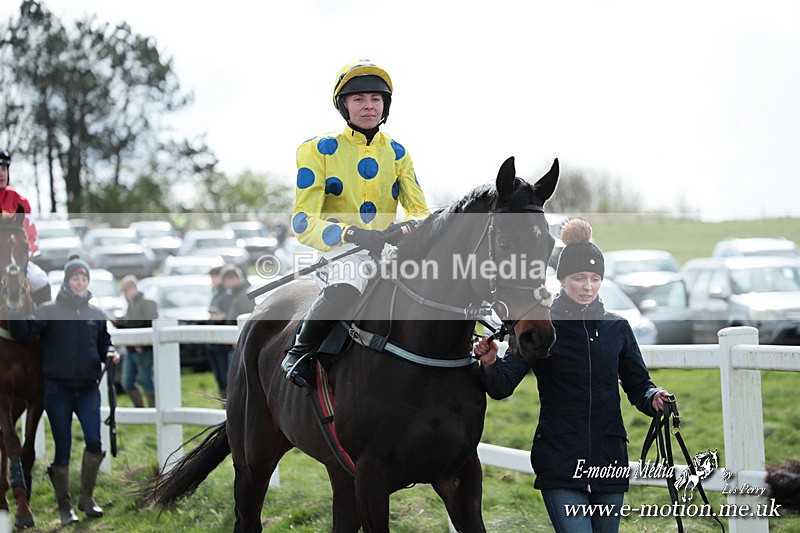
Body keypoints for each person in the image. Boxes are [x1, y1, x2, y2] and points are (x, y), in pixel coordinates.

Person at [474, 218, 672, 533]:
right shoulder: (541, 327)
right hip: (560, 458)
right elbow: (502, 384)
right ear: (563, 279)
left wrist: (654, 398)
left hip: (609, 457)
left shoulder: (617, 328)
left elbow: (638, 386)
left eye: (594, 278)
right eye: (579, 278)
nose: (587, 286)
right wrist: (488, 362)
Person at [281, 59, 430, 387]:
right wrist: (352, 233)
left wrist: (402, 229)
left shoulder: (398, 153)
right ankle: (300, 353)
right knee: (348, 285)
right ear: (344, 105)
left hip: (391, 250)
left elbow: (420, 212)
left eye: (376, 99)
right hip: (344, 253)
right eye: (359, 99)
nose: (369, 106)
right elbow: (304, 222)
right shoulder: (317, 150)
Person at [8, 255, 120, 526]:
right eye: (75, 278)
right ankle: (64, 507)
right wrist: (13, 306)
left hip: (88, 391)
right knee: (63, 448)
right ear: (67, 281)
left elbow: (105, 342)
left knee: (95, 442)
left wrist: (111, 352)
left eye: (83, 278)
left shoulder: (96, 314)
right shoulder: (49, 310)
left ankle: (87, 498)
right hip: (58, 391)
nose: (80, 282)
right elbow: (23, 331)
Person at [0, 148, 50, 305]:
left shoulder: (20, 201)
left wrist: (21, 258)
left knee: (40, 280)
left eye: (4, 168)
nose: (1, 173)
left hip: (16, 261)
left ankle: (45, 325)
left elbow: (31, 236)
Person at [115, 275, 158, 408]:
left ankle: (153, 411)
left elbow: (151, 323)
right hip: (131, 348)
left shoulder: (147, 303)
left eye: (125, 292)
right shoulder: (130, 306)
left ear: (132, 289)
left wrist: (143, 343)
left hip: (143, 349)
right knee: (127, 382)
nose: (125, 295)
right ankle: (141, 410)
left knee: (147, 382)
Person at [207, 264, 245, 398]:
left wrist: (223, 316)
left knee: (232, 379)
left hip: (237, 343)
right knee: (227, 378)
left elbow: (245, 316)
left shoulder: (241, 295)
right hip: (232, 341)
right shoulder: (234, 294)